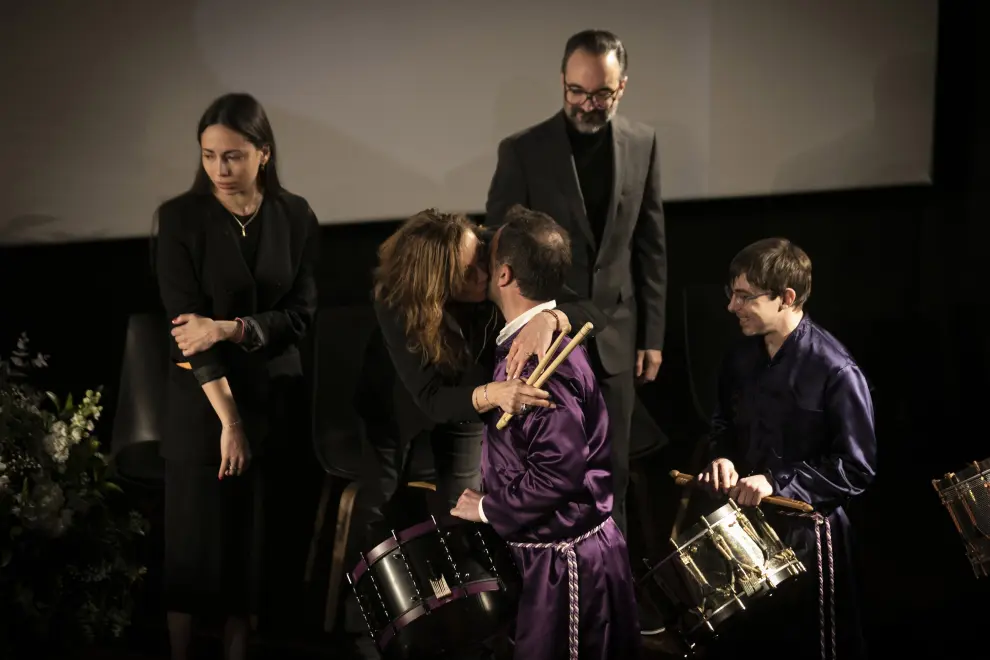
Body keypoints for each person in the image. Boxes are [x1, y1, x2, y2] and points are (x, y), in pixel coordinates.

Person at [347, 209, 572, 658]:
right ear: (434, 280)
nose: (484, 274)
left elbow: (583, 303)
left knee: (468, 510)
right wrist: (496, 392)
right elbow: (430, 398)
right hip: (404, 406)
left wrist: (553, 319)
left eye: (481, 261)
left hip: (475, 405)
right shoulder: (398, 299)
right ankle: (372, 628)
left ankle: (484, 620)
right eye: (466, 272)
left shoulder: (488, 249)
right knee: (382, 501)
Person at [155, 92, 319, 660]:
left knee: (252, 551)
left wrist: (227, 328)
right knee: (192, 551)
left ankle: (238, 651)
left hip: (272, 397)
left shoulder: (295, 215)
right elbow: (186, 330)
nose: (220, 170)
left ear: (263, 154)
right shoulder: (179, 218)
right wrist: (229, 421)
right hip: (203, 402)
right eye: (208, 156)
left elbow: (299, 318)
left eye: (233, 157)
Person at [485, 29, 667, 539]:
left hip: (615, 333)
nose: (587, 104)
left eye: (601, 94)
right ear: (562, 82)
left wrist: (653, 334)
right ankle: (557, 596)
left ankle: (616, 594)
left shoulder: (642, 143)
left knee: (616, 473)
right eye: (576, 92)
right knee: (550, 474)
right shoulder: (522, 150)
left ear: (622, 87)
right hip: (542, 341)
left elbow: (651, 244)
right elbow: (501, 244)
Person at [451, 204, 640, 660]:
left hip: (567, 564)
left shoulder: (537, 364)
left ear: (504, 276)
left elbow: (557, 473)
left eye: (488, 261)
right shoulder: (527, 343)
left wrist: (488, 509)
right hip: (556, 557)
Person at [697, 238, 877, 659]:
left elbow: (857, 467)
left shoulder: (835, 369)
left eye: (744, 296)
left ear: (786, 298)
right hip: (748, 530)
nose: (732, 306)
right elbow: (722, 425)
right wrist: (721, 456)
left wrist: (778, 482)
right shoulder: (739, 357)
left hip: (812, 538)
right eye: (732, 294)